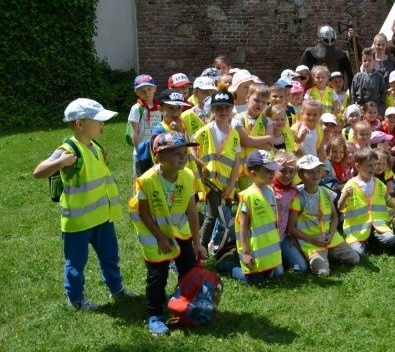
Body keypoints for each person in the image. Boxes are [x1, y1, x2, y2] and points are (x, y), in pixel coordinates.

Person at [33, 99, 136, 311]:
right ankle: (76, 300)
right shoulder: (68, 150)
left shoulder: (94, 146)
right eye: (98, 121)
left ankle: (116, 289)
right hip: (78, 222)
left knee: (110, 256)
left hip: (102, 217)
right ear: (80, 124)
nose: (102, 124)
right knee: (76, 262)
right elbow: (38, 172)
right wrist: (61, 162)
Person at [129, 132, 206, 335]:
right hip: (155, 236)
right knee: (158, 276)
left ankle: (186, 306)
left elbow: (192, 212)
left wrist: (197, 243)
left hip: (180, 233)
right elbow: (143, 212)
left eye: (184, 153)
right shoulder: (147, 180)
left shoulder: (187, 175)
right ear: (160, 157)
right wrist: (161, 238)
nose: (183, 157)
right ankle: (155, 314)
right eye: (176, 153)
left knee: (188, 270)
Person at [288, 155, 360, 276]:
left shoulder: (326, 192)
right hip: (311, 243)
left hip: (331, 238)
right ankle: (321, 257)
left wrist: (331, 235)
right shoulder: (297, 197)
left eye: (318, 171)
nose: (316, 174)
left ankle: (328, 253)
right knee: (322, 273)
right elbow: (291, 228)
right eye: (310, 172)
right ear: (300, 175)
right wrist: (312, 239)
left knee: (355, 259)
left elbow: (334, 217)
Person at [192, 90, 241, 249]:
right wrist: (200, 164)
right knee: (212, 214)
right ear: (212, 110)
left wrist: (232, 184)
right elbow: (191, 149)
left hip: (227, 183)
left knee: (225, 214)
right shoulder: (205, 131)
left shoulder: (234, 134)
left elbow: (236, 161)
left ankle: (219, 246)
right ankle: (201, 248)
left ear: (232, 109)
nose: (223, 111)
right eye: (219, 108)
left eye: (227, 108)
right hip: (211, 182)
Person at [229, 150, 285, 283]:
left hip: (270, 249)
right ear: (253, 174)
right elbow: (243, 226)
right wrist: (246, 253)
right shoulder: (248, 196)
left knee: (278, 274)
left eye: (273, 170)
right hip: (255, 250)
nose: (272, 174)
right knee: (253, 280)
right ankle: (227, 263)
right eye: (268, 171)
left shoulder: (270, 190)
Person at [338, 147, 395, 256]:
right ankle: (368, 242)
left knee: (390, 239)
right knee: (359, 253)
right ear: (358, 166)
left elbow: (389, 200)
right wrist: (344, 196)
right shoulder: (351, 185)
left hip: (377, 225)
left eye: (374, 164)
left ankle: (373, 240)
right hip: (358, 229)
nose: (373, 168)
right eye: (369, 165)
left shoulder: (378, 183)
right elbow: (340, 207)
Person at [271, 151, 310, 273]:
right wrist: (272, 166)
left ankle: (282, 257)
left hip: (283, 237)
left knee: (302, 268)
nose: (287, 175)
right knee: (277, 272)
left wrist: (293, 235)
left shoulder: (294, 191)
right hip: (268, 240)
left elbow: (293, 217)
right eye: (282, 171)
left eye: (291, 171)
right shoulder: (267, 187)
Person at [232, 83, 274, 189]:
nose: (260, 104)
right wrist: (268, 138)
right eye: (256, 100)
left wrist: (249, 141)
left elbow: (268, 147)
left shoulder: (267, 122)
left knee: (262, 194)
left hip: (261, 169)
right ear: (247, 98)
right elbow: (245, 141)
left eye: (264, 102)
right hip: (242, 170)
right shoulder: (237, 119)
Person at [128, 74, 161, 176]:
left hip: (157, 151)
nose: (146, 93)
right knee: (140, 179)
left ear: (154, 88)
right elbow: (134, 133)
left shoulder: (160, 107)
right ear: (136, 92)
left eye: (149, 89)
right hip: (141, 152)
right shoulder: (137, 108)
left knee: (156, 178)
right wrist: (139, 151)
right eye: (142, 91)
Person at [350, 48, 387, 116]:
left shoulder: (379, 77)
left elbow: (383, 97)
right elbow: (353, 96)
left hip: (374, 111)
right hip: (361, 110)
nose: (367, 63)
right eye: (364, 61)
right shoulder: (357, 77)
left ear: (374, 61)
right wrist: (354, 111)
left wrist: (380, 113)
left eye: (369, 60)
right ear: (362, 61)